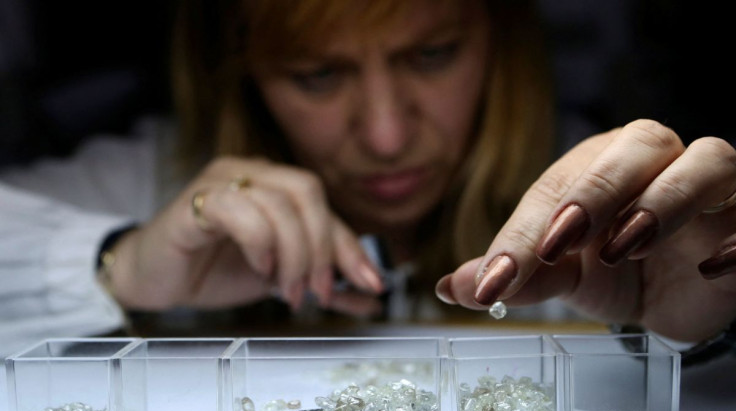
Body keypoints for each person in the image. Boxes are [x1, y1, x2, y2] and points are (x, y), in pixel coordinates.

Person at [1, 0, 735, 358]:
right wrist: (115, 263)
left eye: (433, 55)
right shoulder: (162, 179)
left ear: (502, 42)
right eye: (318, 75)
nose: (386, 134)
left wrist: (706, 336)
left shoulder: (618, 201)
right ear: (242, 76)